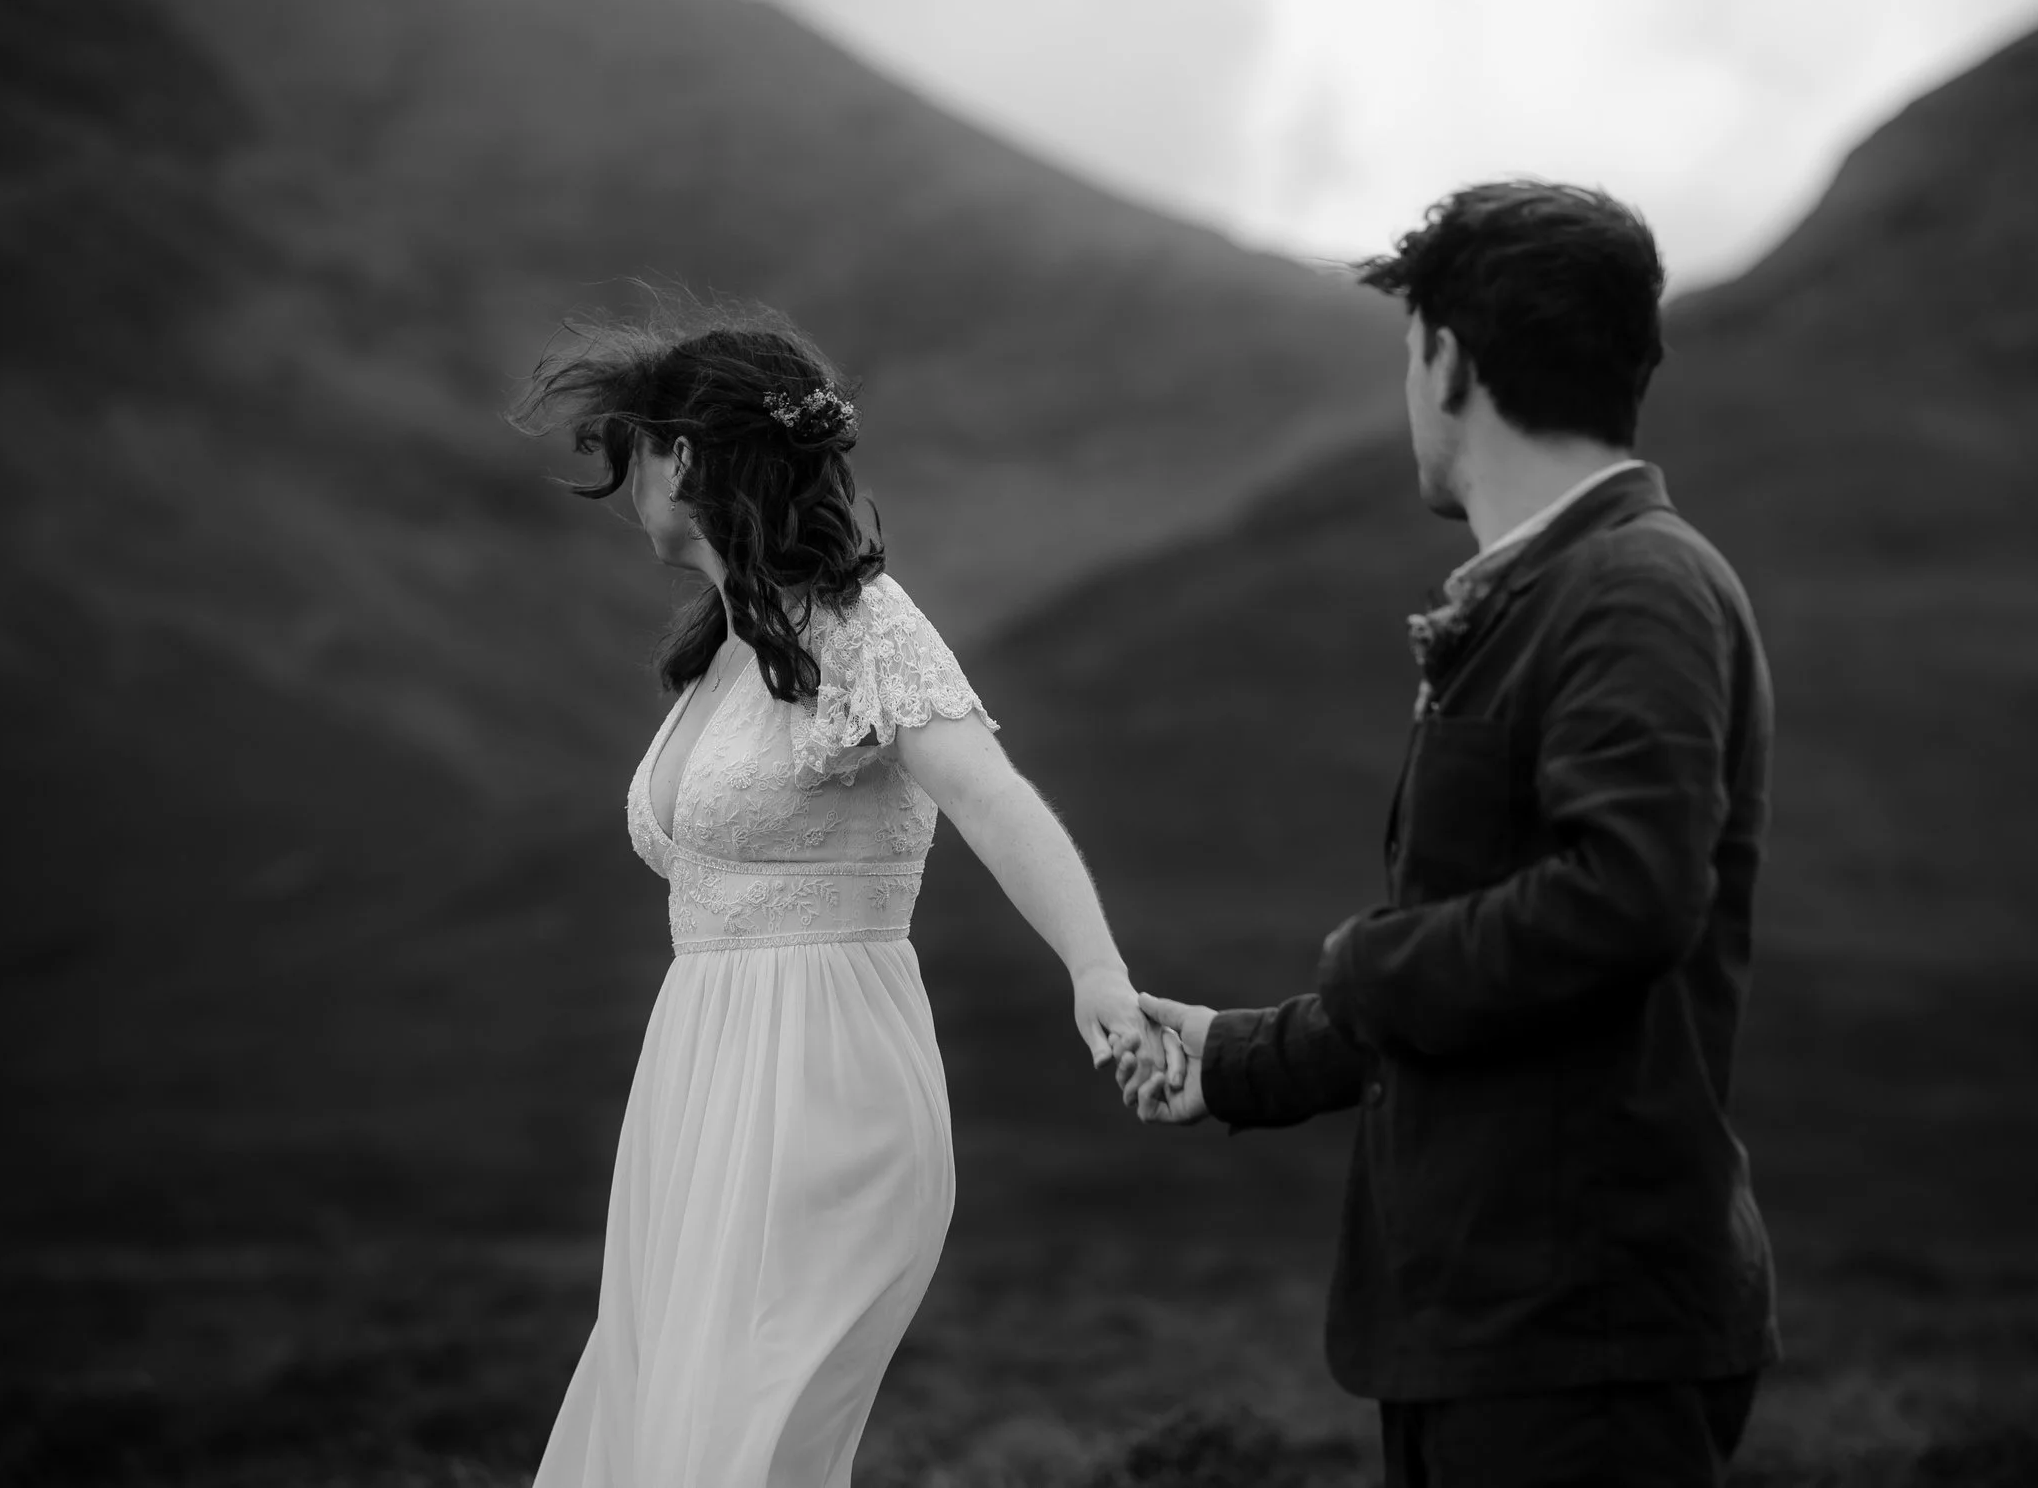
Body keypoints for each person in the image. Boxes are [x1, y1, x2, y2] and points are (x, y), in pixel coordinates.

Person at [1129, 183, 1779, 1487]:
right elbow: (1487, 967)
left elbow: (1625, 897)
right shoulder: (1565, 583)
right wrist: (1240, 1059)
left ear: (1446, 360)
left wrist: (1364, 960)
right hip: (1491, 1323)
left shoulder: (1634, 587)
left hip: (1576, 1333)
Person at [513, 310, 1176, 1488]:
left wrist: (1096, 969)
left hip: (822, 1073)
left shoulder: (864, 625)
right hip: (697, 1079)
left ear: (685, 457)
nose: (629, 489)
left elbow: (989, 794)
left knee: (747, 1436)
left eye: (636, 452)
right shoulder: (727, 644)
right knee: (665, 1416)